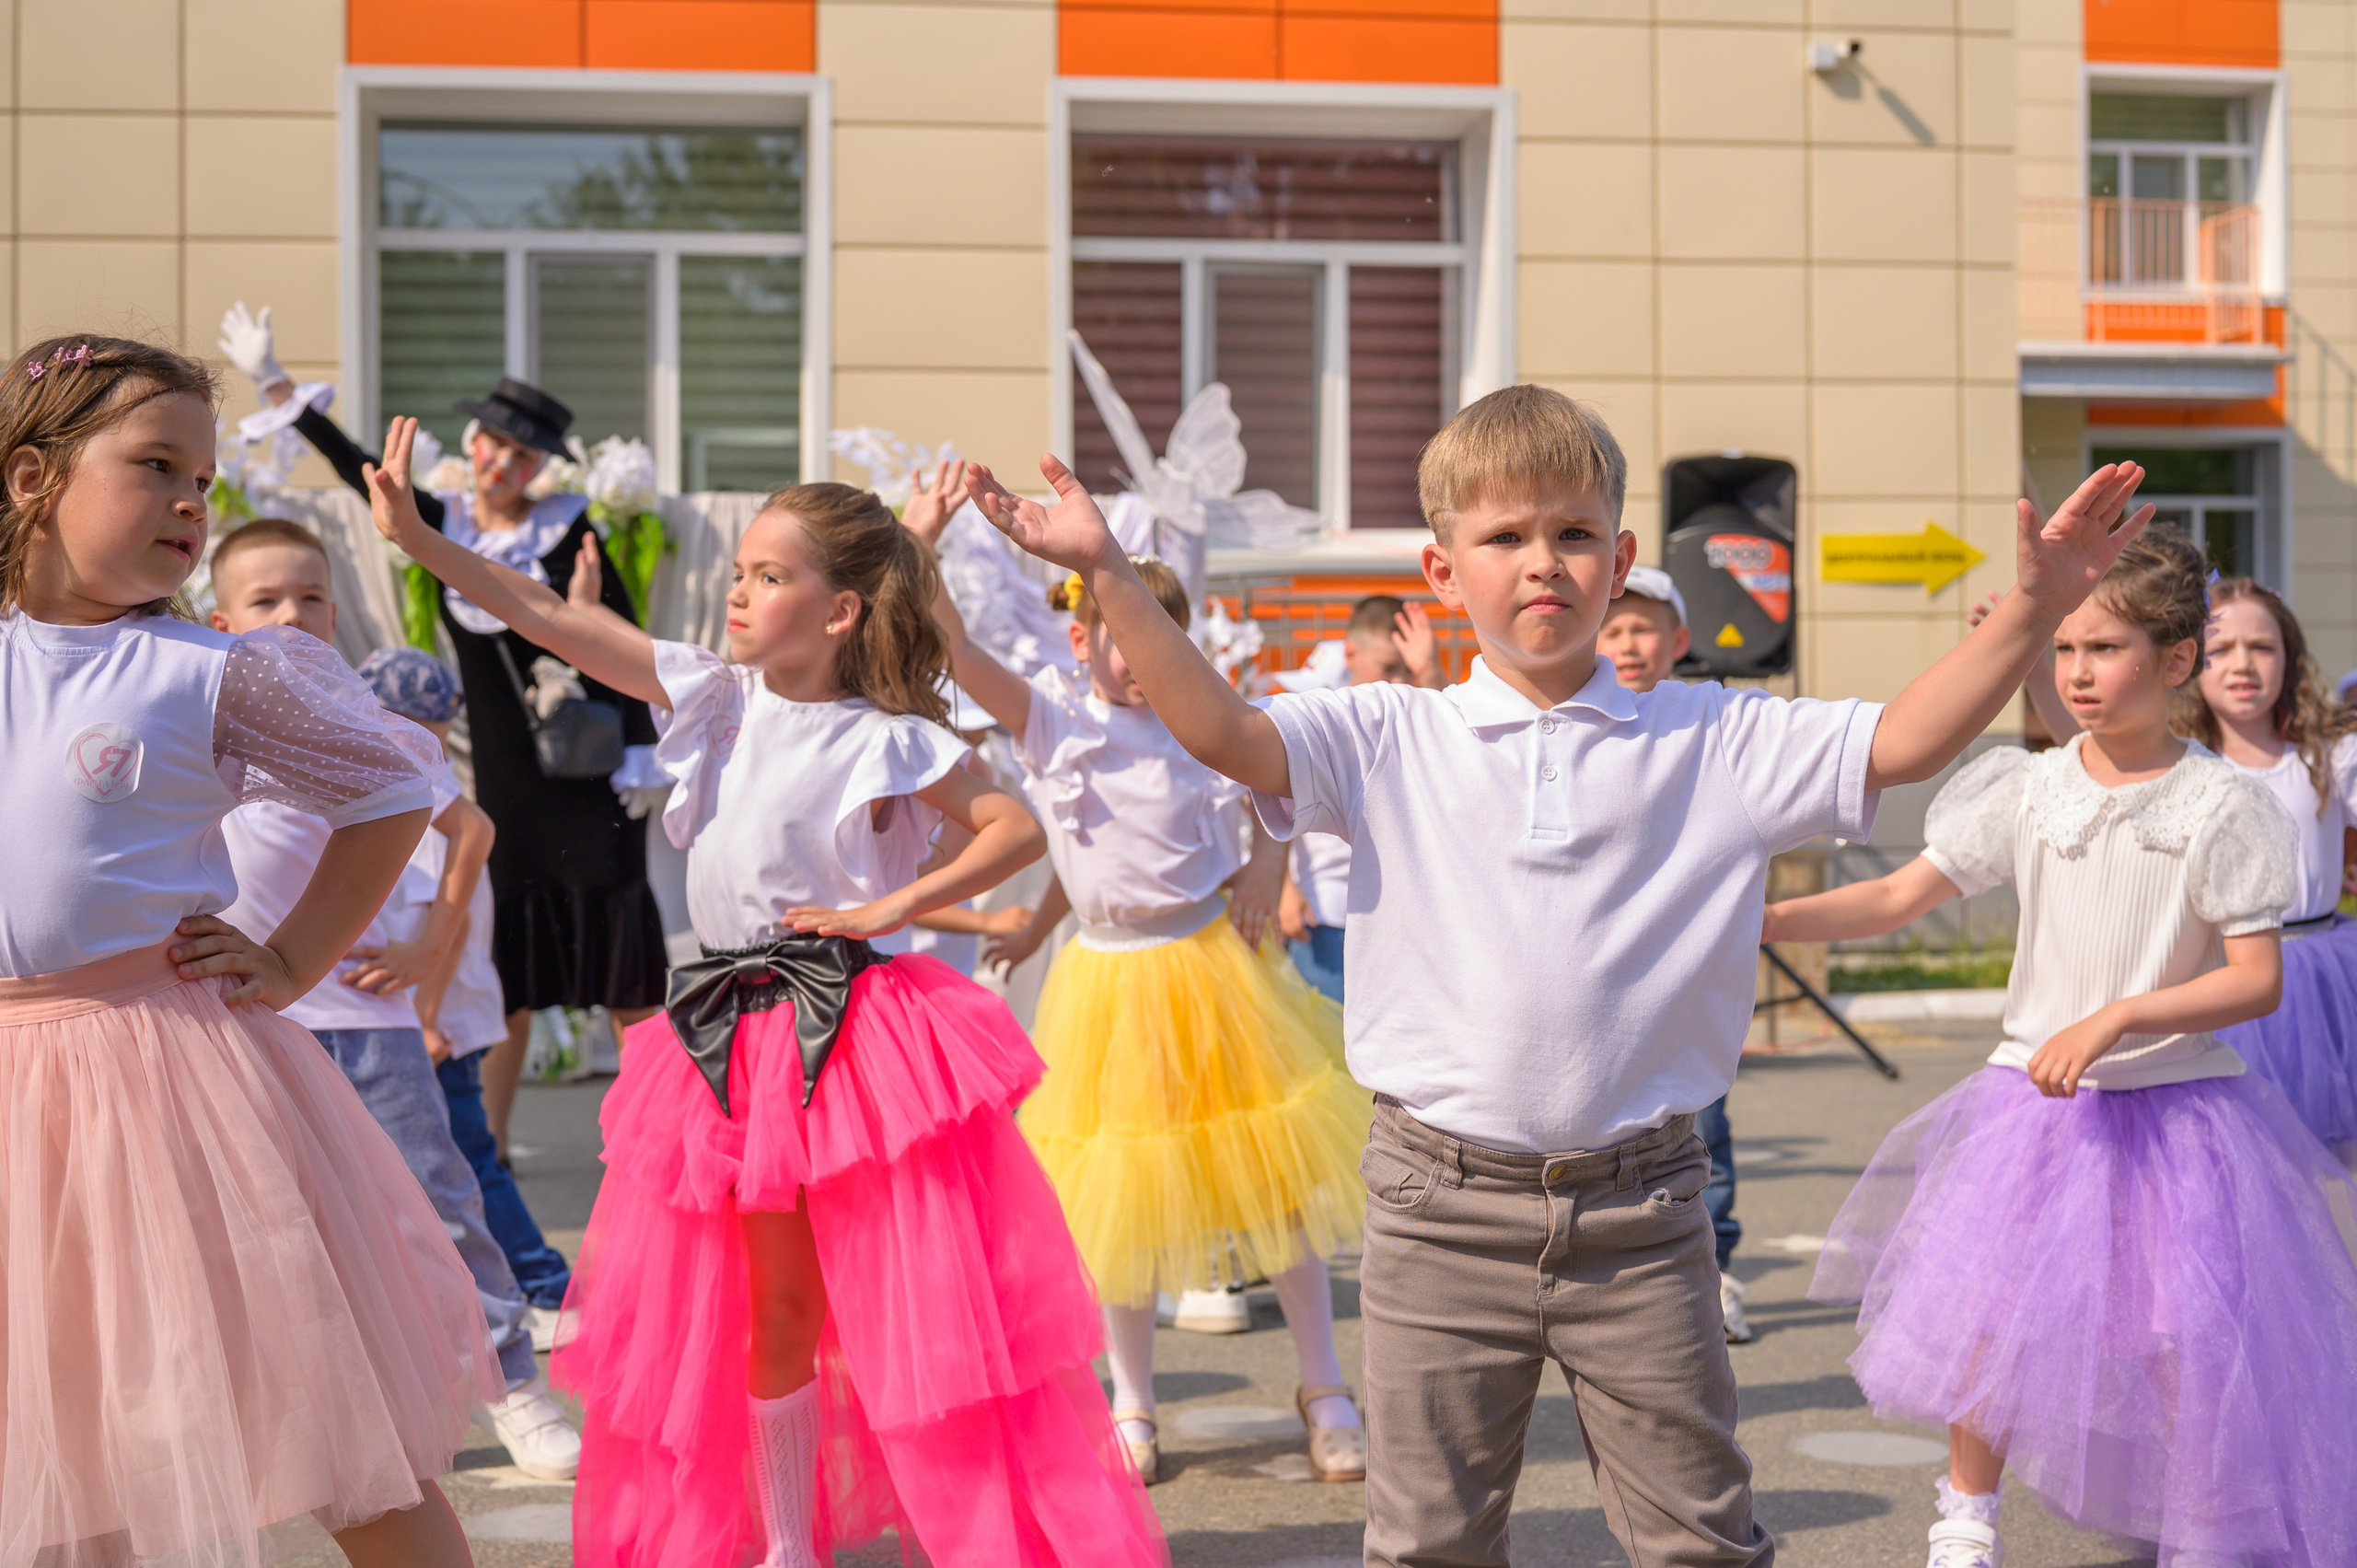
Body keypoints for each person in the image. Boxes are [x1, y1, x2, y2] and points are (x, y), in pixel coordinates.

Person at [962, 382, 2161, 1568]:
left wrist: (2034, 612)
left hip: (1642, 1209)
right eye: (1505, 536)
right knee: (1429, 1537)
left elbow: (1900, 740)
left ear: (1623, 555)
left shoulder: (1710, 736)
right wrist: (1112, 574)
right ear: (1444, 571)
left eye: (1575, 533)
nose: (1544, 562)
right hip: (1439, 1203)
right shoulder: (1384, 731)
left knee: (1696, 1535)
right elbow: (1224, 731)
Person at [365, 416, 1164, 1568]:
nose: (737, 593)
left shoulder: (888, 738)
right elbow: (555, 617)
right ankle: (792, 1542)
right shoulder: (714, 699)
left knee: (910, 1306)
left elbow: (1010, 825)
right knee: (771, 1305)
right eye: (738, 571)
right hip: (730, 1039)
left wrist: (895, 907)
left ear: (838, 610)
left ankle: (973, 1530)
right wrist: (424, 546)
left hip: (861, 1037)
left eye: (769, 576)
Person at [0, 334, 498, 1566]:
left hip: (164, 1083)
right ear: (30, 481)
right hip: (17, 1100)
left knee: (330, 1425)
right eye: (155, 463)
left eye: (204, 476)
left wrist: (289, 956)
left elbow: (392, 789)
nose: (189, 499)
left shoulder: (201, 669)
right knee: (61, 1450)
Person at [1770, 532, 2357, 1568]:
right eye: (2066, 647)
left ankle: (2211, 1520)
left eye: (2106, 647)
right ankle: (1965, 1516)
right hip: (2031, 1107)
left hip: (2177, 1110)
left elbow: (2254, 978)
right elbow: (1898, 894)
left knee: (2184, 1330)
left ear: (2176, 661)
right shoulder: (2029, 786)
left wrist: (2117, 1016)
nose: (2078, 672)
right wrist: (1760, 918)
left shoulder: (2220, 801)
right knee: (1989, 1311)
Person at [928, 539, 1372, 1486]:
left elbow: (1275, 792)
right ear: (1080, 634)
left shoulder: (1203, 721)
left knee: (1275, 1180)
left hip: (1216, 968)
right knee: (1120, 1204)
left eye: (1159, 633)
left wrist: (1264, 866)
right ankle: (1130, 1396)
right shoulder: (1053, 720)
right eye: (1119, 635)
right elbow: (959, 656)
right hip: (1111, 985)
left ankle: (1324, 1382)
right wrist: (920, 537)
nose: (1137, 655)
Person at [217, 304, 668, 1162]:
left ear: (541, 466)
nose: (501, 461)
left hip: (592, 775)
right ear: (475, 441)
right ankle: (491, 1140)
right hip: (509, 771)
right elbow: (363, 476)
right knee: (515, 965)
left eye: (522, 452)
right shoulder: (443, 522)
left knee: (621, 959)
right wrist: (280, 387)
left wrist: (644, 742)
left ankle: (654, 1138)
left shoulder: (575, 527)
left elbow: (622, 633)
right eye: (492, 442)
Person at [206, 518, 582, 1481]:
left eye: (311, 596)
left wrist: (431, 945)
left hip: (367, 1019)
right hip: (247, 1020)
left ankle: (515, 1389)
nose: (292, 614)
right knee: (275, 1224)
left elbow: (474, 829)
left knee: (442, 1202)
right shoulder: (195, 721)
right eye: (265, 600)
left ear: (336, 612)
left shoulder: (385, 729)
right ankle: (323, 1414)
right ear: (220, 619)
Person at [359, 645, 581, 1340]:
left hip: (433, 1022)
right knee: (459, 1164)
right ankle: (528, 1285)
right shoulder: (437, 789)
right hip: (443, 1013)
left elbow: (441, 931)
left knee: (465, 1167)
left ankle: (543, 1285)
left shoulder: (418, 802)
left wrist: (423, 1021)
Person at [1597, 564, 1753, 1343]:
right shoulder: (1579, 725)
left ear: (1679, 641)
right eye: (1614, 628)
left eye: (1643, 628)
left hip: (1686, 976)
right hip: (1607, 982)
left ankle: (1713, 1270)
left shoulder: (1705, 727)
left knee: (1703, 1131)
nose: (1628, 642)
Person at [2180, 579, 2357, 1159]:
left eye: (2262, 647)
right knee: (2231, 1156)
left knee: (2327, 1159)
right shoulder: (2179, 764)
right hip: (2220, 975)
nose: (2242, 664)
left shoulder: (2327, 755)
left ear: (2290, 659)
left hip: (2325, 978)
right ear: (2188, 664)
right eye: (2221, 648)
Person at [1275, 594, 1446, 1004]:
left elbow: (1456, 751)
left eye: (1409, 671)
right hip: (1326, 913)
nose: (1400, 682)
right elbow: (1277, 807)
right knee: (1325, 1046)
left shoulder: (1420, 721)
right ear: (1351, 652)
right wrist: (1285, 887)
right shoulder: (1322, 721)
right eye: (1389, 668)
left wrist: (1432, 672)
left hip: (1406, 923)